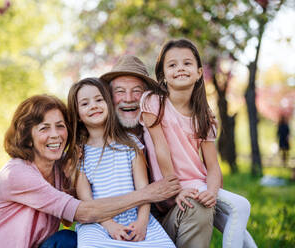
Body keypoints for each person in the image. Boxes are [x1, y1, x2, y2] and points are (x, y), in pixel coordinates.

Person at [0, 94, 181, 248]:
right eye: (44, 128)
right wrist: (148, 194)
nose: (55, 135)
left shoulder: (58, 171)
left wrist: (73, 173)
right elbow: (84, 213)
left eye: (60, 126)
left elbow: (69, 220)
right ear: (27, 138)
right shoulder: (16, 174)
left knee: (71, 240)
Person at [140, 38, 256, 248]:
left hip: (200, 184)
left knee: (232, 220)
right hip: (175, 184)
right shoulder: (153, 101)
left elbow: (212, 166)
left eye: (187, 63)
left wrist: (211, 192)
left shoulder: (205, 116)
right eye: (172, 65)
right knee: (241, 207)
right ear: (163, 75)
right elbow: (161, 149)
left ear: (199, 72)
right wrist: (175, 190)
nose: (180, 69)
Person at [101, 54, 214, 247]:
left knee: (196, 206)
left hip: (163, 219)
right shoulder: (97, 138)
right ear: (109, 97)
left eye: (137, 91)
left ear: (147, 96)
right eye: (120, 91)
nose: (128, 99)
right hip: (110, 228)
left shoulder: (164, 127)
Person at [68, 77, 175, 247]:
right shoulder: (80, 155)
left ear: (108, 104)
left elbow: (145, 191)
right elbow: (87, 202)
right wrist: (110, 225)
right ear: (78, 115)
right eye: (85, 104)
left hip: (135, 216)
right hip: (99, 222)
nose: (93, 106)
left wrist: (142, 222)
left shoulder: (130, 144)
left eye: (99, 100)